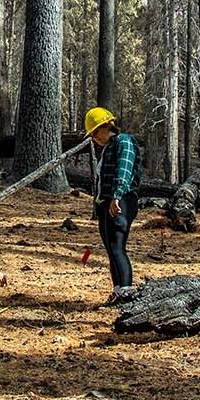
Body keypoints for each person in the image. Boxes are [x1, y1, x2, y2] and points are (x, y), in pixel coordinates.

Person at [85, 107, 139, 299]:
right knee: (111, 248)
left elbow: (124, 170)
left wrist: (116, 196)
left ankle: (126, 291)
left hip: (122, 200)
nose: (93, 138)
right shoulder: (109, 147)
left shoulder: (124, 142)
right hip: (107, 202)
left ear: (105, 127)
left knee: (117, 247)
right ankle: (118, 290)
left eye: (94, 132)